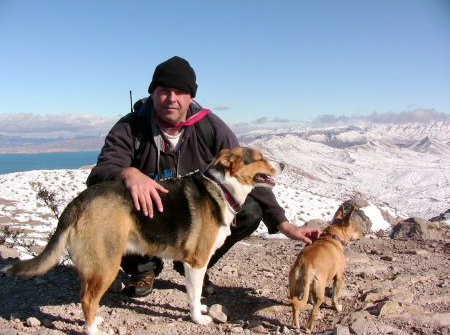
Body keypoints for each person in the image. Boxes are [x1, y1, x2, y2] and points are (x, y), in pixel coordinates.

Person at [86, 56, 321, 298]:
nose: (171, 99)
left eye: (179, 92)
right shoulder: (130, 127)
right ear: (153, 93)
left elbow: (248, 174)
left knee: (249, 211)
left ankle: (197, 259)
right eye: (164, 91)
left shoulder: (209, 126)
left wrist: (283, 224)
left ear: (191, 97)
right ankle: (142, 269)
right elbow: (98, 176)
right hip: (146, 215)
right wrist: (128, 173)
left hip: (193, 215)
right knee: (113, 209)